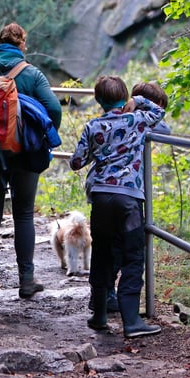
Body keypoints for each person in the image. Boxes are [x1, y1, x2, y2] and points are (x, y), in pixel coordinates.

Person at [0, 23, 62, 303]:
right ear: (22, 45)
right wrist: (42, 136)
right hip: (25, 153)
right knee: (24, 214)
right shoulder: (30, 73)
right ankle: (26, 281)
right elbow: (53, 108)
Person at [70, 75, 166, 338]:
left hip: (101, 197)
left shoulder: (93, 126)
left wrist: (96, 154)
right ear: (125, 97)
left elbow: (77, 161)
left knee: (102, 253)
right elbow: (159, 111)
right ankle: (132, 321)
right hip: (129, 198)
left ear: (98, 100)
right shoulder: (136, 120)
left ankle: (99, 315)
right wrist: (139, 101)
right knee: (133, 256)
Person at [90, 81, 171, 315]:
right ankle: (120, 307)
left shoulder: (110, 121)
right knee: (126, 251)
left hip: (103, 192)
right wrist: (143, 108)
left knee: (107, 248)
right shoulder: (137, 123)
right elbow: (165, 130)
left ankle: (102, 300)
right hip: (128, 194)